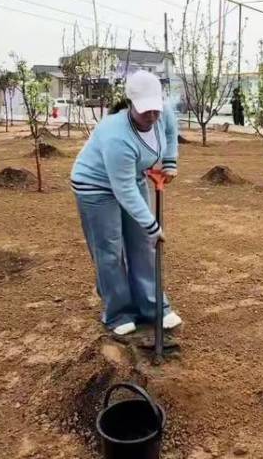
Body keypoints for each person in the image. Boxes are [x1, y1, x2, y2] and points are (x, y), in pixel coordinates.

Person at [70, 71, 181, 336]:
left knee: (143, 245)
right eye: (145, 113)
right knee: (110, 249)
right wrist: (152, 225)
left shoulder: (160, 112)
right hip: (95, 186)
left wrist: (170, 161)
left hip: (131, 178)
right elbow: (124, 190)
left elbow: (170, 127)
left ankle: (154, 307)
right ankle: (117, 312)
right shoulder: (116, 135)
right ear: (131, 104)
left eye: (155, 110)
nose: (152, 117)